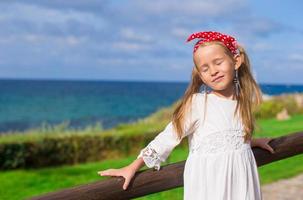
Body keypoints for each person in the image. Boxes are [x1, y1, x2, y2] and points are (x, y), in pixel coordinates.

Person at [98, 31, 275, 200]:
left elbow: (226, 138)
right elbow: (167, 138)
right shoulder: (198, 104)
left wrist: (251, 142)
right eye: (205, 68)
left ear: (236, 61)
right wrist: (133, 166)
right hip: (211, 187)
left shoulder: (241, 103)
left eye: (218, 62)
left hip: (242, 185)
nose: (213, 71)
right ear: (200, 75)